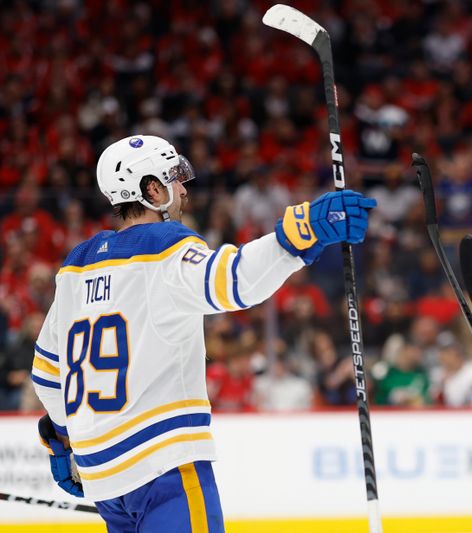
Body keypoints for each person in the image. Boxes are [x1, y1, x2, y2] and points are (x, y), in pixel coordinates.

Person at [31, 135, 375, 532]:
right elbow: (235, 281)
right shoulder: (163, 247)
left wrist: (63, 436)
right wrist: (300, 233)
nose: (183, 191)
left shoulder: (76, 267)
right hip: (163, 468)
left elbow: (46, 375)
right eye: (173, 180)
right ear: (151, 189)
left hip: (104, 480)